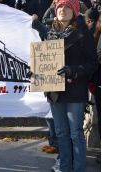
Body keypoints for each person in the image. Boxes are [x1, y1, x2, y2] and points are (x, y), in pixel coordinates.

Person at [31, 0, 98, 171]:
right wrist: (35, 73)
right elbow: (44, 61)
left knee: (75, 134)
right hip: (55, 92)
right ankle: (64, 167)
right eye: (60, 6)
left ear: (75, 10)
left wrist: (72, 70)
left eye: (67, 6)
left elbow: (92, 64)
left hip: (75, 91)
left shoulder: (84, 33)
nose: (62, 9)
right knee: (61, 133)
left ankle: (79, 169)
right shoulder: (51, 33)